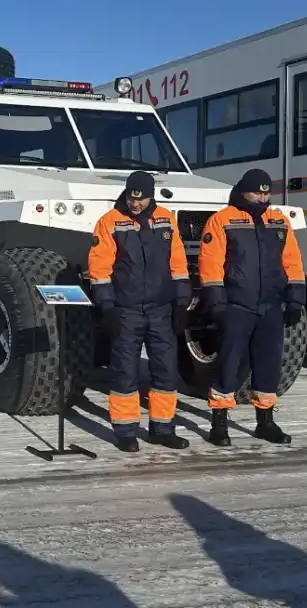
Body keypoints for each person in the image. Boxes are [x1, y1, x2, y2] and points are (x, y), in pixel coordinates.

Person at [196, 168, 305, 447]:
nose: (263, 196)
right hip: (237, 304)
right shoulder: (222, 221)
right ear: (244, 191)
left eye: (267, 192)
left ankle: (265, 422)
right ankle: (219, 423)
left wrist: (295, 299)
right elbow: (211, 263)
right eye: (258, 191)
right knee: (229, 364)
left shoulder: (278, 221)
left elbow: (291, 261)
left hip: (271, 305)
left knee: (269, 365)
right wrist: (216, 301)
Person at [88, 170, 192, 452]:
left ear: (150, 196)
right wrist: (107, 307)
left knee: (166, 371)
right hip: (127, 309)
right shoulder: (109, 223)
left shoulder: (166, 219)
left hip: (161, 310)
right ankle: (125, 432)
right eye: (132, 198)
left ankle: (162, 429)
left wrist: (182, 303)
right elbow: (99, 270)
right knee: (125, 372)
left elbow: (178, 263)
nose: (135, 204)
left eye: (141, 199)